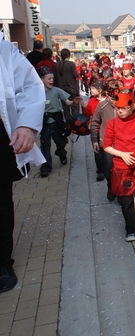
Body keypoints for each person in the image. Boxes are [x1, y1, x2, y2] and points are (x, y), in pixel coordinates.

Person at [0, 30, 45, 293]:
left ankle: (2, 262)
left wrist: (27, 124)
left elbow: (30, 86)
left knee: (1, 204)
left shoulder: (5, 51)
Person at [103, 89, 135, 242]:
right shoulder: (112, 123)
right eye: (117, 108)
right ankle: (130, 228)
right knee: (126, 199)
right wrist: (122, 154)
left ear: (131, 107)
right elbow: (106, 146)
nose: (120, 111)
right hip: (121, 167)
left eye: (123, 108)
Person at [38, 66, 82, 177]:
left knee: (60, 141)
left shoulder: (56, 90)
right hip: (44, 122)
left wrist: (74, 102)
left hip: (56, 121)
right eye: (48, 79)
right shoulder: (36, 92)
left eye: (52, 78)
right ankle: (46, 167)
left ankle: (62, 153)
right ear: (41, 79)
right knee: (45, 144)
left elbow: (67, 102)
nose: (51, 81)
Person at [82, 79, 107, 181]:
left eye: (93, 88)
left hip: (107, 130)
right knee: (98, 152)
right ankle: (100, 170)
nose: (91, 90)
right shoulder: (92, 101)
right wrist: (84, 106)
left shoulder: (109, 100)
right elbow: (87, 113)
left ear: (100, 89)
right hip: (96, 130)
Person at [55, 48, 80, 122]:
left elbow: (55, 77)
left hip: (62, 89)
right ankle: (75, 123)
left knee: (65, 108)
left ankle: (68, 123)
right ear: (69, 55)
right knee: (75, 107)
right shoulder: (71, 64)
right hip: (72, 89)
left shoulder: (57, 65)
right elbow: (75, 75)